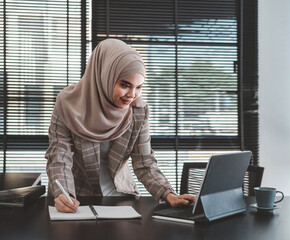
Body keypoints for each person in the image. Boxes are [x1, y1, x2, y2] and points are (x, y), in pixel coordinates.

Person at [45, 38, 196, 213]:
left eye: (138, 87)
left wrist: (168, 193)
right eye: (125, 85)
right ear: (104, 76)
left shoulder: (138, 111)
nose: (132, 95)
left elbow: (144, 162)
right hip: (77, 199)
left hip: (122, 199)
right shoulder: (67, 104)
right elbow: (59, 157)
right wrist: (65, 193)